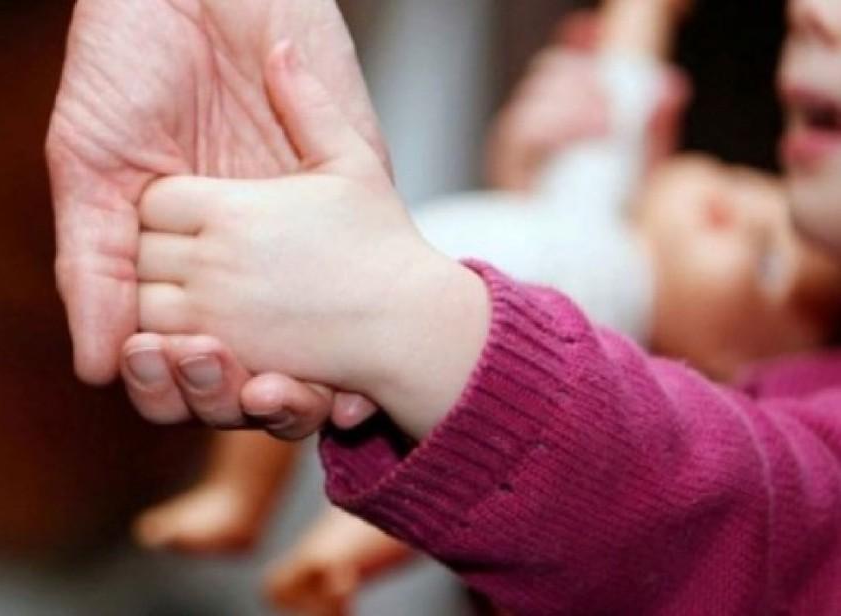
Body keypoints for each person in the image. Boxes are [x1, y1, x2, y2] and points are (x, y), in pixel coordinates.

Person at [47, 0, 841, 612]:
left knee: (333, 417)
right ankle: (239, 495)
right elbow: (625, 79)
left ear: (725, 374)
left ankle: (297, 533)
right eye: (744, 180)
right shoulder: (607, 205)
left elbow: (712, 511)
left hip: (350, 322)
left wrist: (402, 313)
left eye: (764, 263)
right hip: (344, 288)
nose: (735, 210)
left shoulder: (643, 369)